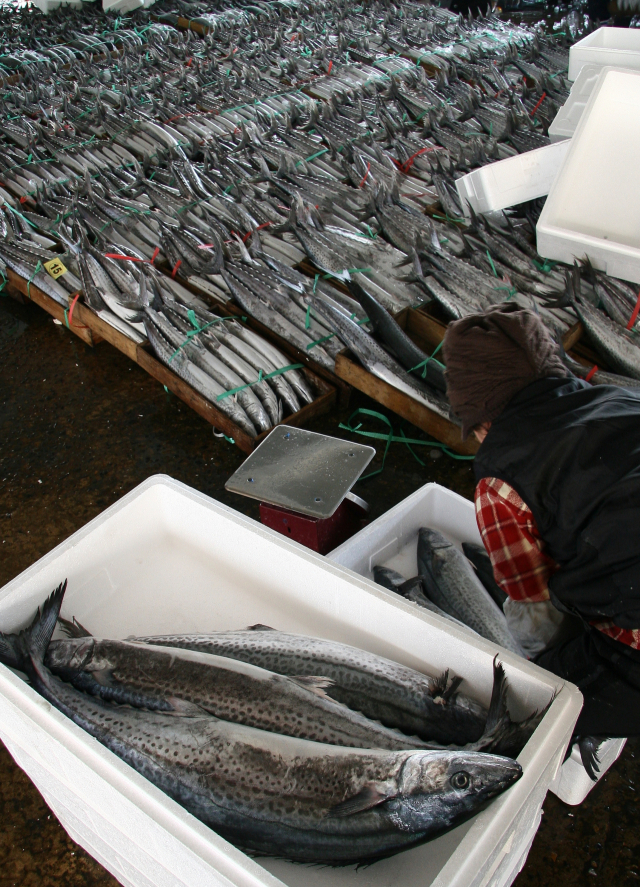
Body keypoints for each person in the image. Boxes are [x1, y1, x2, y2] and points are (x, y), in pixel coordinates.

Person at [442, 303, 640, 770]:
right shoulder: (623, 400)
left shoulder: (500, 484)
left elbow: (533, 608)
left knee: (537, 703)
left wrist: (538, 669)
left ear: (480, 418)